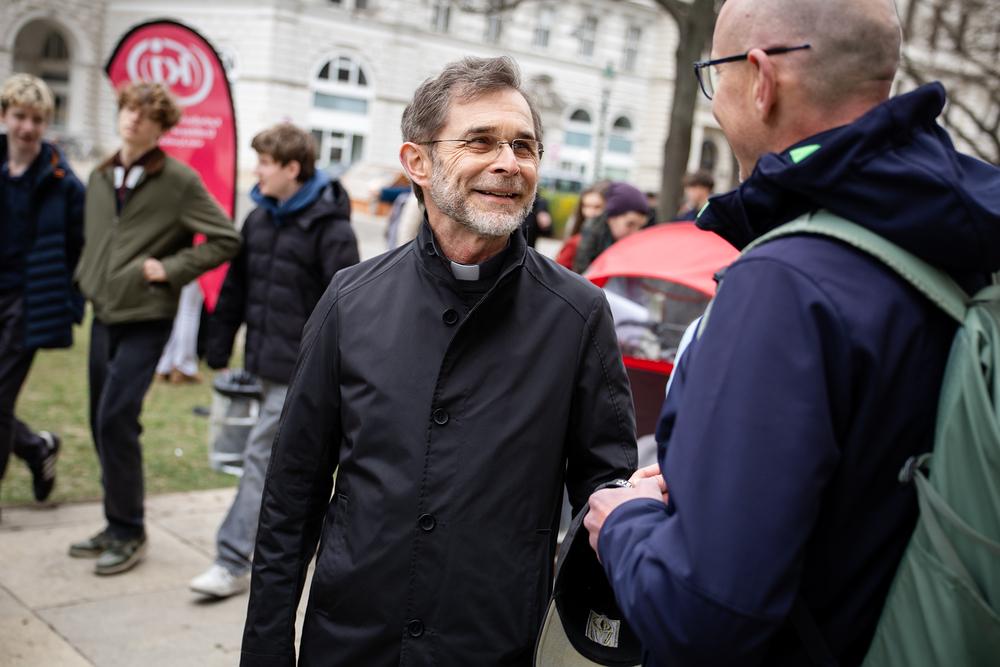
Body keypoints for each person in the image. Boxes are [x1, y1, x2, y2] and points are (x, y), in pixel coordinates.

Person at [584, 0, 1000, 665]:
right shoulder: (958, 234)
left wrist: (623, 521)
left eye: (715, 74)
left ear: (761, 79)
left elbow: (703, 615)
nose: (717, 100)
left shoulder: (785, 281)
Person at [241, 56, 637, 667]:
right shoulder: (350, 301)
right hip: (352, 640)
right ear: (417, 163)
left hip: (493, 644)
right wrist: (266, 649)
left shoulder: (578, 315)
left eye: (524, 146)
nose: (509, 163)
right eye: (480, 141)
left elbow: (604, 495)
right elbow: (292, 494)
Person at [69, 82, 242, 575]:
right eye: (129, 109)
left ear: (161, 127)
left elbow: (225, 238)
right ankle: (115, 522)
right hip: (105, 313)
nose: (134, 119)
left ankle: (129, 531)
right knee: (100, 420)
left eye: (146, 115)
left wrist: (170, 268)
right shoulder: (101, 174)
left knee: (115, 417)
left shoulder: (178, 180)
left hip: (147, 316)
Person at [189, 123, 359, 598]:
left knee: (260, 459)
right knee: (292, 469)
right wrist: (219, 346)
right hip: (263, 364)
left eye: (265, 163)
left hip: (304, 373)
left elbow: (350, 309)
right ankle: (304, 551)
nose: (257, 171)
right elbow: (236, 288)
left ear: (292, 168)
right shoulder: (259, 219)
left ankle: (231, 559)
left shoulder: (332, 230)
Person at [0, 74, 85, 516]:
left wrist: (70, 304)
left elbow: (78, 249)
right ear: (4, 116)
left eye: (37, 119)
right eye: (20, 116)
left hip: (28, 301)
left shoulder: (62, 182)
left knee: (0, 399)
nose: (27, 127)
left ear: (47, 122)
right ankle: (36, 448)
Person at [572, 181, 649, 274]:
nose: (635, 232)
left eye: (640, 226)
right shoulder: (587, 238)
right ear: (611, 218)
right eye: (630, 225)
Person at [555, 179, 610, 269]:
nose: (590, 212)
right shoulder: (575, 242)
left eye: (597, 207)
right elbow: (556, 271)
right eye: (586, 206)